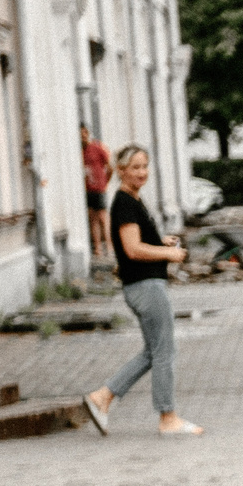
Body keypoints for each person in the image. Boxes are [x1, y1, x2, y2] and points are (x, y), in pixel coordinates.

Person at [83, 145, 202, 437]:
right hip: (146, 286)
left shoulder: (133, 200)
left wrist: (160, 242)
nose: (141, 172)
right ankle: (168, 418)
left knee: (153, 351)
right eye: (135, 167)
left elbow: (135, 242)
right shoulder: (124, 202)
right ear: (121, 170)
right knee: (164, 351)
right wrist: (168, 254)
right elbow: (133, 249)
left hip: (143, 285)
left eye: (144, 166)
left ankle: (102, 397)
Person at [81, 124, 112, 262]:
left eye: (84, 133)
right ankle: (98, 248)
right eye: (80, 134)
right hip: (87, 188)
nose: (82, 136)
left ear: (88, 133)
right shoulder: (80, 151)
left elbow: (110, 166)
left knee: (103, 217)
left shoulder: (97, 147)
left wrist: (105, 182)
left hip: (99, 188)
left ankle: (109, 247)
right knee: (92, 218)